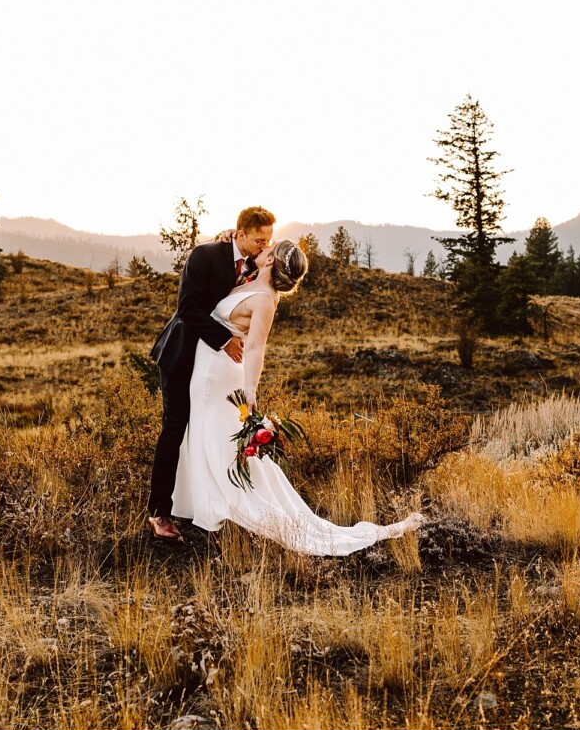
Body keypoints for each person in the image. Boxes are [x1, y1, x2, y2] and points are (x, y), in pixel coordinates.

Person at [170, 239, 424, 556]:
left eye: (270, 247)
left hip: (218, 376)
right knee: (210, 434)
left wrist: (251, 392)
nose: (265, 246)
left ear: (271, 262)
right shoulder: (251, 282)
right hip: (209, 367)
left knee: (212, 434)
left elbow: (256, 347)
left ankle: (213, 507)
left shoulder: (265, 299)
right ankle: (204, 502)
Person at [147, 207, 275, 542]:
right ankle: (159, 513)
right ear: (241, 234)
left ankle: (202, 502)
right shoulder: (205, 255)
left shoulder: (251, 269)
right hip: (181, 357)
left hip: (212, 370)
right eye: (260, 239)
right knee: (175, 428)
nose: (264, 246)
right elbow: (187, 307)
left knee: (206, 431)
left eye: (269, 241)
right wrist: (224, 340)